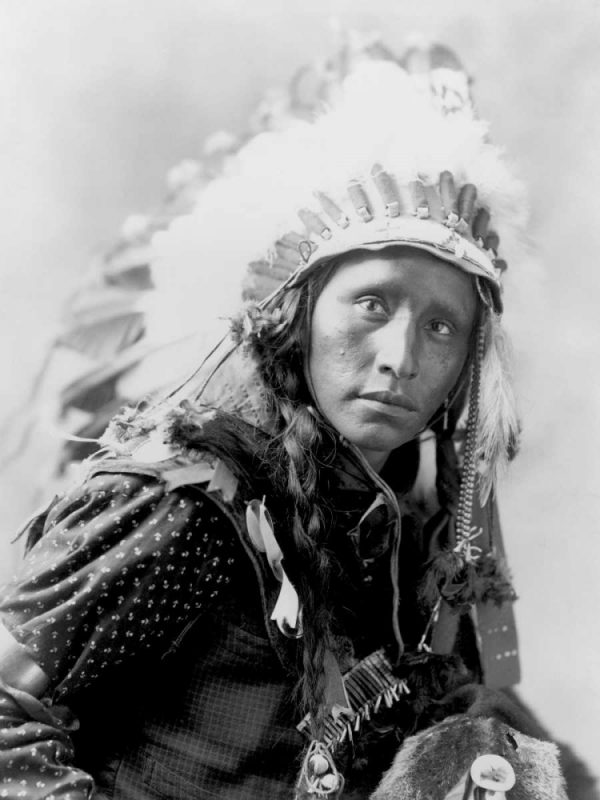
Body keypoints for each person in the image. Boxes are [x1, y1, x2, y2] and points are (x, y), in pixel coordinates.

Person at [0, 41, 592, 800]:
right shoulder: (187, 507)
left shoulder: (406, 537)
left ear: (468, 365)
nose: (399, 357)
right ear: (297, 319)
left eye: (442, 327)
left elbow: (466, 716)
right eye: (372, 304)